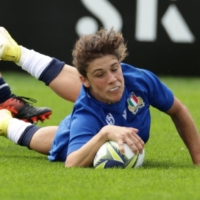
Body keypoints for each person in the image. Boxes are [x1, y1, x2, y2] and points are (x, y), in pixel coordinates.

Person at [0, 27, 200, 167]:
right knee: (62, 140)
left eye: (115, 68)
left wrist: (198, 161)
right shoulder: (85, 113)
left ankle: (16, 54)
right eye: (100, 74)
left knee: (68, 130)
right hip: (79, 129)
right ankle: (6, 124)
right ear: (84, 80)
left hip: (87, 122)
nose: (113, 79)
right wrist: (105, 133)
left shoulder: (139, 80)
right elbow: (72, 162)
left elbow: (178, 110)